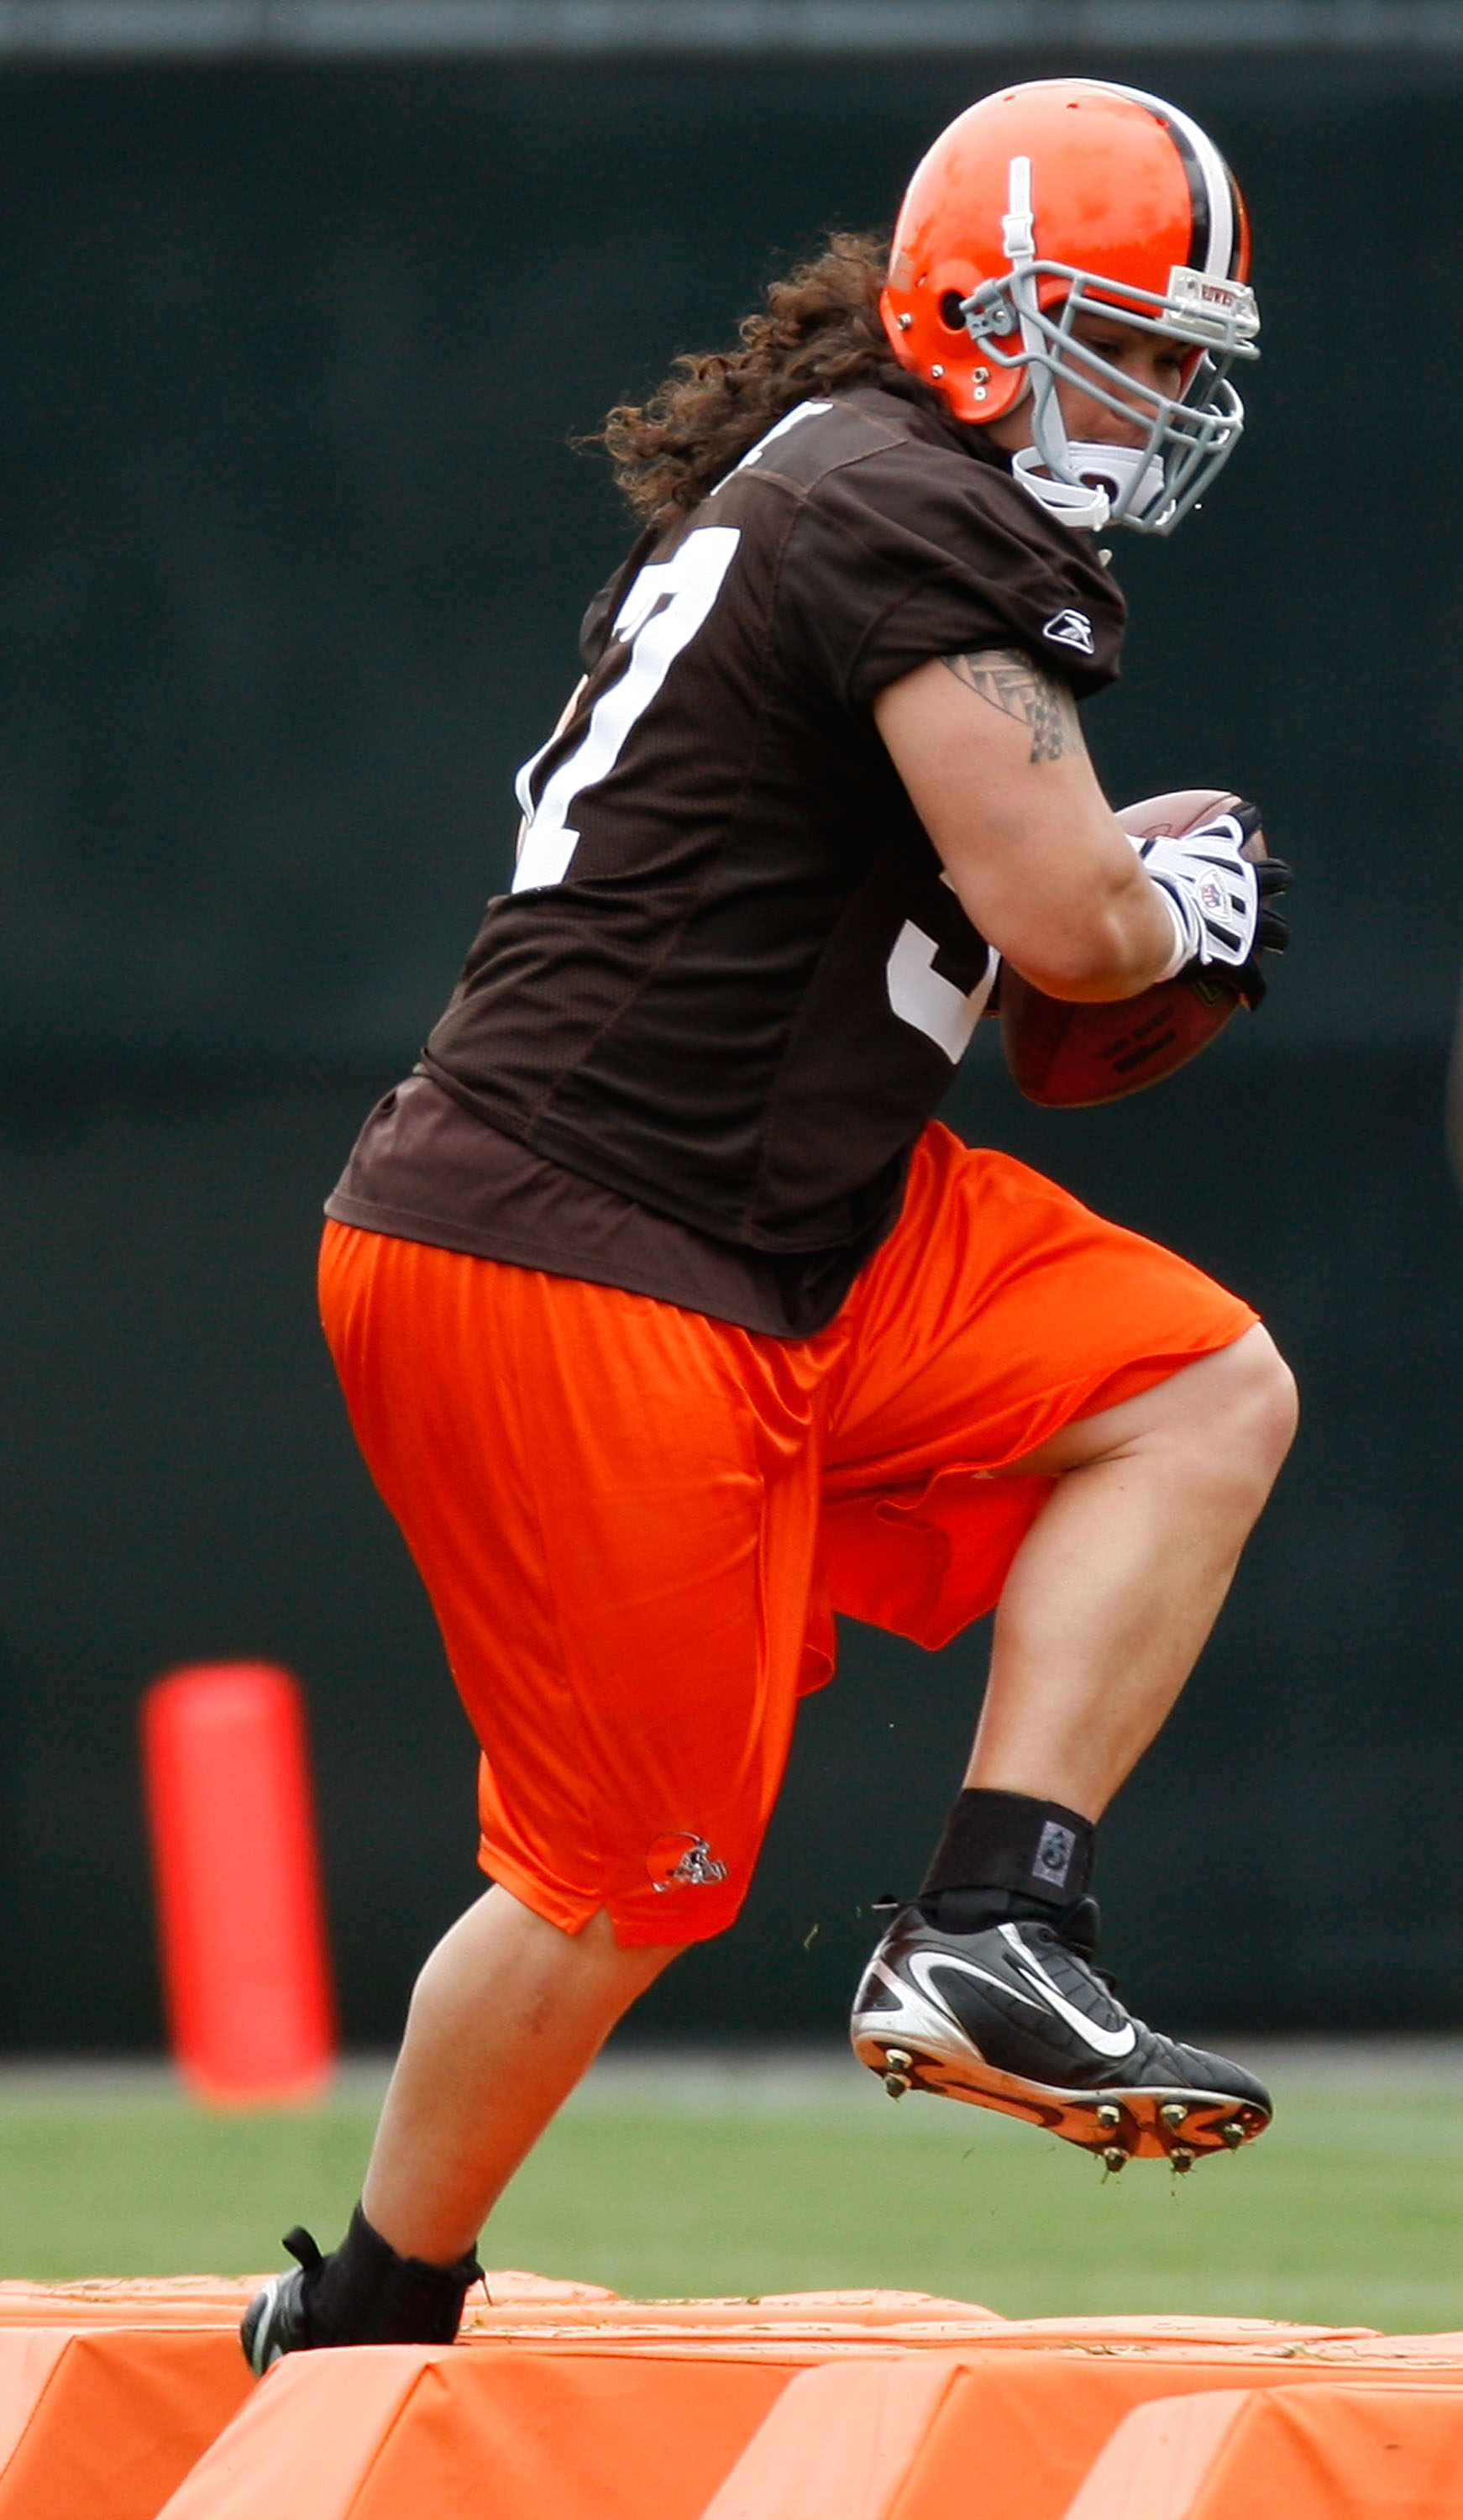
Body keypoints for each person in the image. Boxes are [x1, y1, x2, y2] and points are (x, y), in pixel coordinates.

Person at [243, 76, 1296, 2366]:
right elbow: (1068, 922)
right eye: (1119, 335)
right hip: (587, 1233)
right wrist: (1174, 903)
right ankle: (373, 2306)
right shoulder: (912, 501)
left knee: (1193, 1385)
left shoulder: (855, 490)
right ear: (978, 315)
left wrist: (1131, 908)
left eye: (1184, 351)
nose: (1162, 393)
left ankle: (998, 1922)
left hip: (790, 1206)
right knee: (631, 1880)